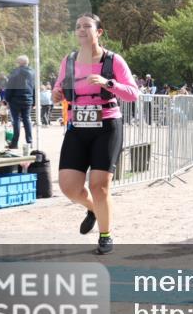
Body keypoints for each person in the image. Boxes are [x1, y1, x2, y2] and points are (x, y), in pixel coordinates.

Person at [52, 13, 140, 255]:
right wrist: (57, 94)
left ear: (99, 32)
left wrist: (108, 83)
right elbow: (58, 87)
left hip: (107, 126)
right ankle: (92, 208)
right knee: (69, 187)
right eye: (78, 26)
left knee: (99, 185)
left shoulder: (113, 61)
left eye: (87, 26)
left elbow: (133, 93)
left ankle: (105, 234)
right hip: (77, 127)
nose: (81, 29)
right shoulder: (68, 61)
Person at [4, 55, 35, 150]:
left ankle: (14, 143)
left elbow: (10, 86)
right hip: (28, 99)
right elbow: (35, 87)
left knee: (16, 120)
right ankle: (29, 142)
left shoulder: (15, 72)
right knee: (27, 119)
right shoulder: (33, 73)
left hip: (15, 99)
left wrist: (7, 99)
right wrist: (34, 100)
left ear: (19, 63)